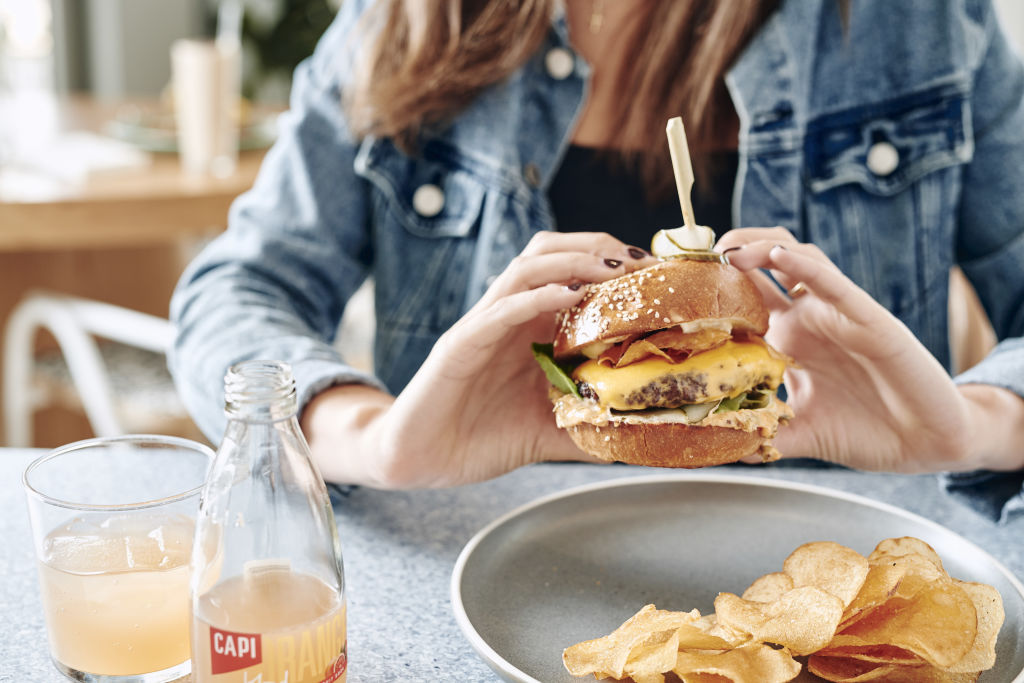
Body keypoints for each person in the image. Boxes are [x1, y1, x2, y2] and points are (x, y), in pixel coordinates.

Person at [170, 0, 1024, 522]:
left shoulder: (925, 18)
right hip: (464, 543)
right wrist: (369, 436)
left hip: (854, 548)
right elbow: (239, 288)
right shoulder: (401, 17)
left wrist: (974, 424)